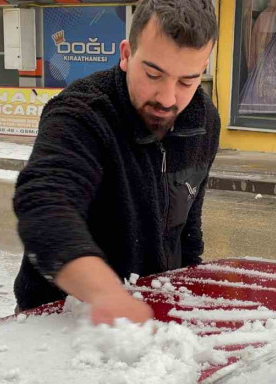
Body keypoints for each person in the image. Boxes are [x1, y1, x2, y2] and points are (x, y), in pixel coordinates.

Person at [12, 0, 220, 325]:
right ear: (125, 54)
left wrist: (187, 292)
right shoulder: (81, 114)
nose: (167, 98)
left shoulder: (204, 120)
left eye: (186, 81)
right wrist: (106, 294)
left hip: (152, 318)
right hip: (61, 323)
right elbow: (44, 206)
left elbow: (188, 229)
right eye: (153, 74)